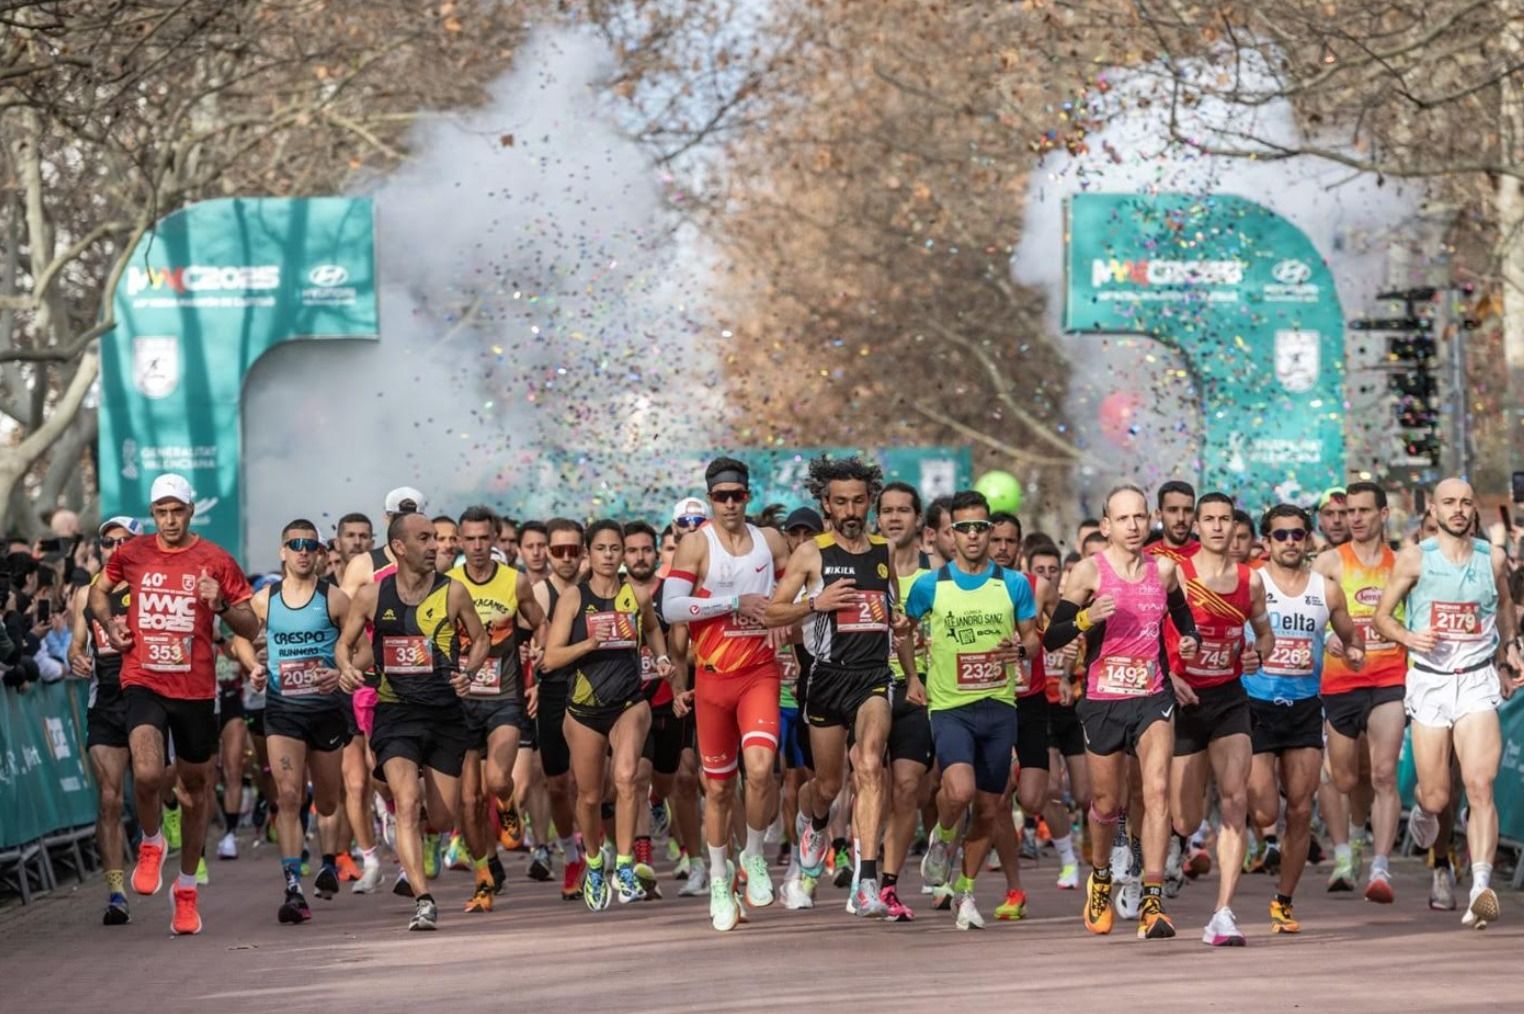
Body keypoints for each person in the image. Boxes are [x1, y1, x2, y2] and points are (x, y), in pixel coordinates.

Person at [89, 474, 259, 935]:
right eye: (161, 511)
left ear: (190, 512)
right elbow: (97, 591)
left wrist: (220, 603)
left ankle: (185, 889)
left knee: (195, 791)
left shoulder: (215, 559)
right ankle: (150, 842)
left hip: (196, 690)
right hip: (142, 678)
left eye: (177, 511)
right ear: (152, 513)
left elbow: (250, 627)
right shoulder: (133, 553)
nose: (168, 519)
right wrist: (112, 624)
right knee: (145, 773)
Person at [1043, 483, 1200, 941]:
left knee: (1155, 791)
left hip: (1152, 696)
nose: (1133, 526)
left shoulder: (1165, 570)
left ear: (1148, 519)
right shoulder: (1090, 572)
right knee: (1107, 803)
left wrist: (1190, 639)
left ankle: (1153, 901)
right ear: (1107, 526)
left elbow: (1182, 616)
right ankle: (1101, 878)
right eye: (1123, 519)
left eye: (1139, 517)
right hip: (1103, 699)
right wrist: (1087, 619)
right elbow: (1053, 636)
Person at [767, 455, 918, 920]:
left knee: (871, 764)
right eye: (841, 503)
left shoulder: (883, 552)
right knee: (828, 784)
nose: (851, 510)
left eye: (858, 501)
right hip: (826, 679)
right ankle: (812, 822)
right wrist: (817, 602)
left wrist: (905, 647)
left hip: (873, 677)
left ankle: (866, 879)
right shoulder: (811, 553)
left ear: (869, 502)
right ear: (826, 505)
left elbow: (896, 619)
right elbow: (772, 613)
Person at [1374, 478, 1524, 929]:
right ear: (1434, 511)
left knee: (1480, 786)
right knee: (1438, 794)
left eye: (1465, 503)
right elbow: (1382, 616)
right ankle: (1423, 809)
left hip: (1476, 679)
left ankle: (1480, 887)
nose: (1458, 510)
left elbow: (1502, 607)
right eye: (1449, 503)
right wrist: (1408, 635)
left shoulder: (1491, 557)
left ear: (1473, 510)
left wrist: (1508, 649)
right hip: (1430, 682)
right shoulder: (1415, 558)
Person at [336, 512, 489, 931]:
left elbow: (480, 640)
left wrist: (469, 671)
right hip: (396, 712)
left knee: (440, 818)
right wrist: (347, 669)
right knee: (406, 802)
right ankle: (423, 898)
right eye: (425, 538)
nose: (435, 546)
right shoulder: (371, 595)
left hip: (444, 715)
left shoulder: (453, 592)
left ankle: (426, 837)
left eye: (436, 539)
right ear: (399, 547)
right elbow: (344, 644)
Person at [665, 459, 790, 930]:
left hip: (759, 672)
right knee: (717, 789)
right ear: (711, 498)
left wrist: (787, 619)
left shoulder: (770, 540)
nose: (731, 504)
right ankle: (719, 878)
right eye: (722, 497)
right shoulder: (697, 544)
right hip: (713, 677)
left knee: (760, 770)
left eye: (738, 495)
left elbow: (795, 591)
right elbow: (672, 606)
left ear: (748, 496)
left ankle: (752, 855)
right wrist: (734, 602)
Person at [906, 489, 1038, 930]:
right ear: (951, 534)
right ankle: (942, 839)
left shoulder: (1013, 583)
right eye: (964, 528)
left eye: (982, 527)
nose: (974, 536)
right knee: (958, 791)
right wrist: (911, 677)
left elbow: (1034, 641)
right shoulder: (932, 584)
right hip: (950, 706)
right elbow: (902, 630)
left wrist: (1019, 648)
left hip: (999, 706)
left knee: (987, 808)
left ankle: (965, 892)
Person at [1244, 503, 1364, 935]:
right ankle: (1262, 839)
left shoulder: (1327, 590)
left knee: (1299, 809)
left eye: (1298, 534)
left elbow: (1353, 638)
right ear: (1266, 541)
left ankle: (1283, 900)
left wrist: (1349, 649)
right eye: (1281, 535)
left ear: (1308, 539)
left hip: (1304, 708)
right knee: (1262, 810)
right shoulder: (1251, 584)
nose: (1290, 541)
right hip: (1256, 706)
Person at [1163, 493, 1274, 947]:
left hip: (1229, 699)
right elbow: (1146, 632)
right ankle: (1176, 841)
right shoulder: (1177, 575)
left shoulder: (1250, 582)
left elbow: (1264, 633)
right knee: (1186, 817)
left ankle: (1223, 912)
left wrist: (1256, 654)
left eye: (1224, 519)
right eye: (1207, 519)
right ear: (1196, 526)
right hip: (1186, 703)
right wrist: (1170, 674)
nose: (1215, 526)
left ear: (1234, 527)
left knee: (1235, 802)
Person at [545, 520, 671, 909]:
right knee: (588, 794)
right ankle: (596, 862)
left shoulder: (636, 594)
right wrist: (588, 643)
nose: (609, 555)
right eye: (601, 549)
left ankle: (627, 864)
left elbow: (651, 629)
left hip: (628, 703)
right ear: (588, 553)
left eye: (615, 548)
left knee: (628, 777)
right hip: (583, 709)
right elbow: (550, 659)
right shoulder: (572, 598)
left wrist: (662, 656)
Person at [232, 520, 353, 924]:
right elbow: (240, 637)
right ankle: (292, 886)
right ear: (282, 552)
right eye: (294, 544)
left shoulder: (335, 600)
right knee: (288, 795)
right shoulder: (265, 600)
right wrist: (253, 667)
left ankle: (330, 862)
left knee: (329, 799)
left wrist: (340, 672)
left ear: (319, 553)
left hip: (326, 710)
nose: (303, 551)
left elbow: (363, 652)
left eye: (310, 545)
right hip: (283, 710)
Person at [1313, 481, 1407, 902]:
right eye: (1350, 511)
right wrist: (1326, 637)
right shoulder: (1329, 563)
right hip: (1340, 682)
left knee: (1384, 773)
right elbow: (1306, 612)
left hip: (1388, 678)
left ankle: (1380, 869)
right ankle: (1345, 850)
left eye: (1364, 511)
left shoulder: (1402, 564)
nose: (1354, 518)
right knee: (1343, 776)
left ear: (1383, 514)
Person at [451, 505, 546, 913]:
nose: (476, 546)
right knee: (469, 802)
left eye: (483, 538)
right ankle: (484, 876)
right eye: (468, 539)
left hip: (503, 696)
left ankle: (507, 806)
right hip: (459, 702)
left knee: (496, 780)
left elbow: (539, 622)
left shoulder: (515, 581)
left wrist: (537, 651)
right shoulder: (447, 583)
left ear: (494, 540)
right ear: (458, 541)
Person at [66, 516, 141, 924]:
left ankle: (154, 838)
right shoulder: (87, 593)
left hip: (147, 698)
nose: (115, 549)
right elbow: (77, 646)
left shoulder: (149, 586)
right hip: (107, 700)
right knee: (110, 798)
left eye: (123, 542)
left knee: (152, 783)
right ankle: (116, 891)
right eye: (108, 543)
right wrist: (76, 658)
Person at [876, 481, 935, 921]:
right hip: (868, 689)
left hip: (920, 692)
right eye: (888, 511)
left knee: (909, 787)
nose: (895, 518)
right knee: (862, 786)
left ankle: (889, 884)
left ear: (919, 520)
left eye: (904, 510)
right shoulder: (861, 567)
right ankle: (848, 859)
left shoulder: (940, 574)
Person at [532, 517, 589, 898]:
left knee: (592, 784)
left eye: (573, 551)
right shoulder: (539, 593)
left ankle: (605, 855)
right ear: (548, 553)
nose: (566, 558)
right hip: (552, 691)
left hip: (592, 688)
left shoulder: (597, 588)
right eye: (558, 551)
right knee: (556, 785)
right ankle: (571, 854)